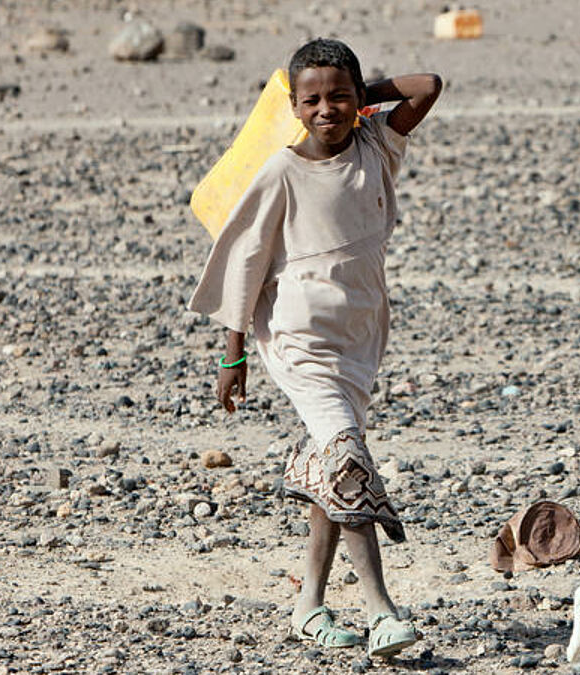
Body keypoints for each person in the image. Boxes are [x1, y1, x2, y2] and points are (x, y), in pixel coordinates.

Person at [187, 37, 441, 658]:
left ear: (357, 99)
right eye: (312, 100)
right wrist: (233, 351)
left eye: (339, 96)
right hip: (298, 341)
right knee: (348, 459)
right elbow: (247, 260)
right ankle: (382, 609)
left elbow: (427, 85)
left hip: (360, 336)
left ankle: (309, 608)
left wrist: (364, 100)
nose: (325, 109)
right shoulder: (282, 170)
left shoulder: (377, 144)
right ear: (293, 107)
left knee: (333, 460)